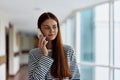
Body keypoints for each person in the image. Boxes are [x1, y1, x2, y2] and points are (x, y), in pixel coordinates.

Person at [28, 12, 80, 80]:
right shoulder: (34, 53)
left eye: (54, 27)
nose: (52, 30)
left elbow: (75, 77)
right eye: (47, 27)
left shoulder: (68, 50)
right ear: (39, 30)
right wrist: (45, 56)